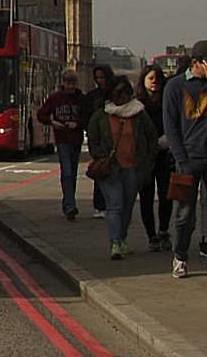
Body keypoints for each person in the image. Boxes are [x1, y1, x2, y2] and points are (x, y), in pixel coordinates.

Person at [87, 74, 157, 259]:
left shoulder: (138, 113)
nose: (122, 96)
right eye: (118, 93)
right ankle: (115, 243)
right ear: (111, 94)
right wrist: (100, 155)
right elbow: (92, 139)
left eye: (125, 92)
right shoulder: (101, 115)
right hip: (110, 169)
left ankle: (122, 239)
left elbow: (152, 137)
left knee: (126, 207)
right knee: (115, 205)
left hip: (133, 167)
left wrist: (148, 161)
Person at [163, 40, 207, 279]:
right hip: (186, 160)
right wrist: (182, 158)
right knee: (184, 213)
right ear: (196, 62)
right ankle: (180, 256)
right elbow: (170, 127)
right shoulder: (175, 87)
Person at [36, 69, 86, 220]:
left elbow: (87, 117)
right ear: (63, 83)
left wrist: (76, 124)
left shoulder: (81, 99)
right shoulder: (55, 98)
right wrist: (52, 122)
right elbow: (41, 114)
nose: (70, 86)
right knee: (67, 172)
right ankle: (70, 206)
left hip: (76, 140)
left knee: (72, 175)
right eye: (68, 83)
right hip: (62, 140)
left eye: (73, 83)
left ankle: (68, 204)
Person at [136, 64, 172, 250]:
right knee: (146, 196)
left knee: (166, 195)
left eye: (158, 79)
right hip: (145, 156)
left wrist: (167, 140)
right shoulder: (137, 105)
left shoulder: (167, 100)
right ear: (143, 80)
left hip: (165, 154)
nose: (155, 83)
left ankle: (164, 230)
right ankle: (151, 235)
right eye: (151, 79)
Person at [81, 64, 113, 218]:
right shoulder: (92, 96)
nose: (100, 81)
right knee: (100, 170)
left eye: (103, 77)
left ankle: (110, 203)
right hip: (98, 138)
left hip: (114, 138)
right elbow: (86, 116)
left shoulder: (114, 94)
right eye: (98, 78)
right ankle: (99, 205)